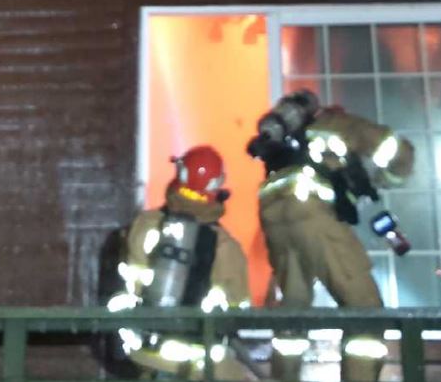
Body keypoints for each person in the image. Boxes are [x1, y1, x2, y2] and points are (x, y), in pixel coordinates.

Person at [247, 90, 414, 382]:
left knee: (293, 308)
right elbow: (397, 150)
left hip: (275, 219)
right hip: (312, 215)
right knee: (365, 310)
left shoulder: (290, 144)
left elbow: (345, 195)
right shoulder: (337, 124)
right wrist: (391, 177)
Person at [107, 145, 254, 380]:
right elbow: (239, 311)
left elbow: (127, 280)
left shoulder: (145, 224)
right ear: (217, 185)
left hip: (146, 352)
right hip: (201, 361)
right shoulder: (224, 245)